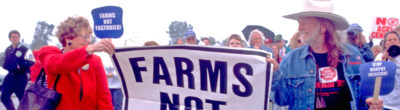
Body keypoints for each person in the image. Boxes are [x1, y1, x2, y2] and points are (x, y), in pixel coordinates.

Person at [266, 0, 383, 109]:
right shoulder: (291, 59)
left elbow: (364, 93)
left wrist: (370, 101)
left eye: (304, 22)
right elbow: (281, 100)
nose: (299, 28)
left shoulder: (352, 55)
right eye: (299, 23)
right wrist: (275, 75)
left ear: (323, 27)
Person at [31, 16, 114, 109]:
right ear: (68, 38)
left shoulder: (95, 61)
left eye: (89, 36)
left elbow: (103, 96)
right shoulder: (49, 53)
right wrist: (88, 50)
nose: (89, 40)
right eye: (85, 36)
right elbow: (57, 64)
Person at [1, 30, 33, 110]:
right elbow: (5, 60)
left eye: (17, 37)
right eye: (13, 37)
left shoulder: (25, 49)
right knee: (4, 97)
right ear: (10, 39)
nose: (15, 39)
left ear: (19, 38)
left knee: (22, 99)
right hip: (10, 76)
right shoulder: (8, 49)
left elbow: (31, 61)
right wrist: (5, 65)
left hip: (20, 77)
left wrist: (20, 67)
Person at [374, 31, 400, 110]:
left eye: (395, 39)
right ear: (385, 44)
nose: (392, 41)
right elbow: (375, 77)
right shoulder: (380, 57)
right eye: (389, 40)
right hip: (385, 103)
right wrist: (383, 61)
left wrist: (393, 61)